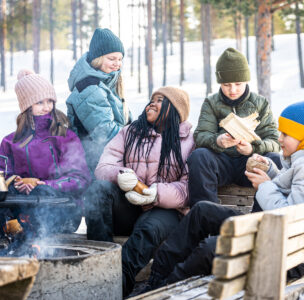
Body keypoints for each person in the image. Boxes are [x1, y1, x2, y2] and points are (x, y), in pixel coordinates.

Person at [143, 99, 304, 290]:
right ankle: (157, 278)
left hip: (288, 255)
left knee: (211, 248)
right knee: (201, 211)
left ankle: (164, 288)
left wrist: (265, 186)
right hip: (277, 240)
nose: (279, 138)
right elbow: (291, 192)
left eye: (285, 134)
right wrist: (271, 172)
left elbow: (291, 221)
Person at [84, 87, 194, 296]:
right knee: (97, 191)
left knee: (148, 229)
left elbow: (188, 188)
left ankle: (113, 288)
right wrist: (121, 175)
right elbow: (103, 167)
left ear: (175, 109)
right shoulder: (130, 131)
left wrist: (156, 193)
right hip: (130, 205)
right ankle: (98, 263)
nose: (152, 103)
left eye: (160, 100)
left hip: (166, 211)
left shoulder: (188, 140)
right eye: (151, 99)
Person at [0, 70, 91, 233]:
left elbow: (81, 178)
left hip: (62, 209)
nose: (46, 107)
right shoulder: (10, 142)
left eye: (50, 101)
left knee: (41, 197)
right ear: (26, 106)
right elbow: (3, 176)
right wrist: (15, 183)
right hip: (20, 211)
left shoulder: (64, 136)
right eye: (39, 102)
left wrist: (47, 185)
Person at [189, 47, 281, 207]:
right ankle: (206, 217)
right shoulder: (211, 103)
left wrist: (252, 149)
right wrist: (218, 141)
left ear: (246, 80)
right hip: (221, 162)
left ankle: (260, 219)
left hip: (250, 163)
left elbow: (274, 141)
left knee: (274, 160)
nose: (233, 90)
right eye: (226, 84)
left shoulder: (260, 103)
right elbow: (201, 135)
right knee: (199, 156)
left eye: (238, 84)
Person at [66, 28, 131, 172]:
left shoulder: (108, 83)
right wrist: (138, 141)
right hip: (94, 163)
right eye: (111, 59)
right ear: (98, 59)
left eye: (120, 59)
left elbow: (127, 121)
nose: (117, 63)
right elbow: (105, 132)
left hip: (111, 156)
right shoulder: (89, 87)